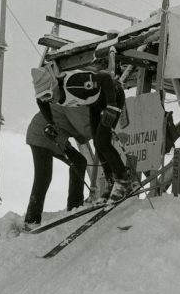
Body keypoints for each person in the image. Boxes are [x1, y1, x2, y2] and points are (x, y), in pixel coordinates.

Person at [31, 63, 135, 204]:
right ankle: (111, 181)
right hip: (96, 103)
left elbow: (105, 79)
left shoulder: (73, 85)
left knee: (102, 141)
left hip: (113, 95)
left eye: (48, 94)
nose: (47, 100)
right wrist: (50, 123)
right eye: (43, 97)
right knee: (98, 145)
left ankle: (123, 180)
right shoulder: (45, 98)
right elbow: (41, 102)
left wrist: (111, 105)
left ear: (54, 85)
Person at [24, 105, 92, 229]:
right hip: (41, 134)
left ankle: (75, 205)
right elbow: (83, 127)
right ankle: (32, 219)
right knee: (43, 176)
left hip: (57, 136)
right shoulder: (76, 101)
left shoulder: (84, 102)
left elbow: (81, 134)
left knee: (79, 161)